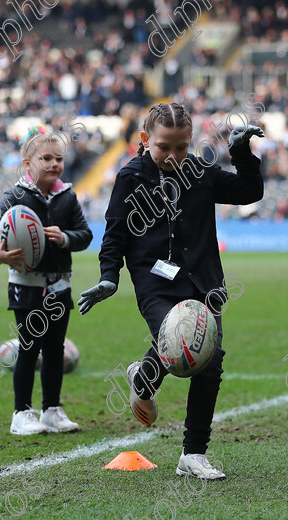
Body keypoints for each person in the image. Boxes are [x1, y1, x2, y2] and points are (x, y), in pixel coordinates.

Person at [78, 103, 264, 479]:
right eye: (164, 147)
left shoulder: (200, 172)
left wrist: (242, 153)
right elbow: (115, 234)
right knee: (179, 342)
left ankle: (192, 452)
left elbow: (249, 191)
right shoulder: (130, 177)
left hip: (205, 283)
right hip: (155, 283)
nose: (173, 156)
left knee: (209, 361)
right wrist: (109, 277)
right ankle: (147, 376)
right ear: (146, 140)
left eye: (181, 147)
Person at [0, 125, 92, 435]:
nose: (54, 164)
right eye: (46, 158)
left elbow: (85, 235)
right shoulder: (14, 196)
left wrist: (65, 237)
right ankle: (21, 413)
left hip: (59, 284)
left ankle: (52, 410)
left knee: (55, 349)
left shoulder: (67, 196)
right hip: (26, 285)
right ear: (27, 163)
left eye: (59, 158)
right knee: (29, 348)